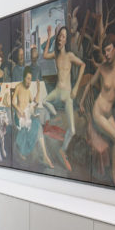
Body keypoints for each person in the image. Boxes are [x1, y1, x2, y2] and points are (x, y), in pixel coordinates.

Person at [79, 33, 115, 187]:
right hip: (98, 112)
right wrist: (80, 102)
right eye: (104, 51)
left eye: (108, 50)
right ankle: (114, 174)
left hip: (109, 113)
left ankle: (113, 171)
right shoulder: (102, 69)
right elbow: (89, 85)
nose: (106, 54)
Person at [42, 25, 86, 170]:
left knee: (72, 130)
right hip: (57, 91)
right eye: (59, 36)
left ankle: (63, 150)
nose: (60, 39)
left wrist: (76, 86)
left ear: (66, 40)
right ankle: (54, 115)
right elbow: (44, 55)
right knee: (44, 101)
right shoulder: (56, 55)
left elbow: (83, 65)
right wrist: (49, 36)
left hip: (67, 94)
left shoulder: (70, 56)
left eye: (63, 37)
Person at [12, 67, 52, 167]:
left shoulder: (29, 91)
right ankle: (44, 156)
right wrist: (19, 110)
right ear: (24, 78)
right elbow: (13, 102)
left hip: (26, 117)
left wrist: (38, 90)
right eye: (28, 79)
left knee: (38, 125)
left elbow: (34, 103)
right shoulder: (18, 87)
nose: (29, 82)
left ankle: (45, 156)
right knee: (36, 124)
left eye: (31, 79)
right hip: (19, 117)